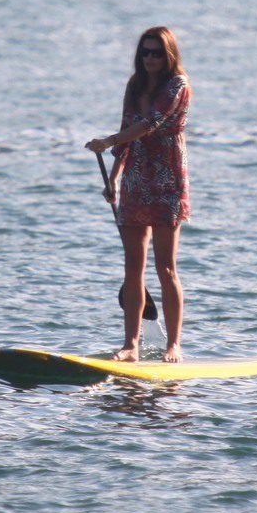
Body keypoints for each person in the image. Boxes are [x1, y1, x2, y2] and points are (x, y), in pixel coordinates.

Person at [85, 26, 192, 363]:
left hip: (167, 183)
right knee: (133, 267)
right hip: (134, 183)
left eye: (157, 53)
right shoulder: (134, 85)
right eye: (145, 52)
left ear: (169, 55)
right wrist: (114, 178)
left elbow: (150, 123)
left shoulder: (178, 86)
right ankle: (130, 344)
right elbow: (129, 132)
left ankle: (173, 344)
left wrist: (107, 141)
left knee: (166, 269)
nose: (150, 59)